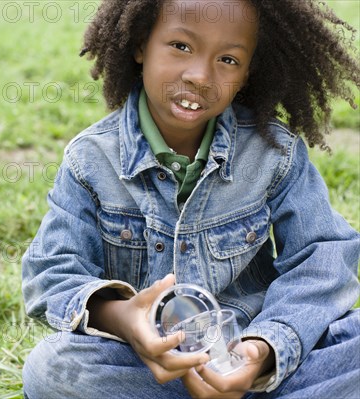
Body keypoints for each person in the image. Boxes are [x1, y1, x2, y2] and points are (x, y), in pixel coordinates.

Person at [21, 0, 360, 397]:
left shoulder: (274, 152)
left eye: (228, 59)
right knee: (53, 368)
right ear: (140, 44)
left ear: (248, 72)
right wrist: (125, 318)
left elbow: (323, 257)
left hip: (260, 355)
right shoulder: (90, 160)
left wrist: (264, 350)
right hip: (151, 367)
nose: (200, 76)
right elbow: (52, 273)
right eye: (181, 46)